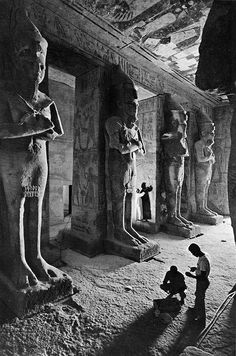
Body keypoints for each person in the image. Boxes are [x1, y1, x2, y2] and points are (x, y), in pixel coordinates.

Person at [0, 9, 64, 289]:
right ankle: (17, 260)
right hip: (13, 160)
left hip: (39, 160)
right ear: (15, 63)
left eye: (41, 66)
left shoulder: (46, 101)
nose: (36, 71)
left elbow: (55, 132)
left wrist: (40, 127)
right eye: (29, 63)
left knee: (36, 205)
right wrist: (34, 127)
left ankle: (36, 256)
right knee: (16, 209)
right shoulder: (7, 97)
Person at [105, 65, 148, 246]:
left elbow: (142, 151)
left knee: (130, 195)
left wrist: (136, 144)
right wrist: (136, 144)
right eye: (130, 104)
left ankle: (128, 226)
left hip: (131, 165)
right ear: (119, 104)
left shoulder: (133, 127)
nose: (134, 109)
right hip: (118, 164)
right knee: (119, 196)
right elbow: (119, 147)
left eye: (136, 105)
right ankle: (119, 229)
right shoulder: (113, 122)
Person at [195, 122, 218, 216]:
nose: (213, 135)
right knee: (201, 189)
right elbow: (200, 159)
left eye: (213, 133)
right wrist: (210, 157)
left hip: (207, 169)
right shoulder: (199, 144)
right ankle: (200, 208)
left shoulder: (208, 146)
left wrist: (211, 157)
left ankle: (204, 206)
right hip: (201, 170)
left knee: (206, 188)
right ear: (204, 133)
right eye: (211, 133)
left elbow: (213, 159)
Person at [185, 243, 210, 321]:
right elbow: (203, 269)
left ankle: (201, 316)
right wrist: (196, 269)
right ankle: (196, 309)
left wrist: (191, 276)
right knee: (198, 295)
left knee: (200, 299)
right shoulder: (203, 256)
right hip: (201, 281)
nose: (192, 254)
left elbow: (202, 276)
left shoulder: (202, 261)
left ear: (196, 251)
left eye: (192, 253)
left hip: (202, 281)